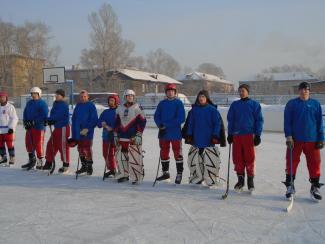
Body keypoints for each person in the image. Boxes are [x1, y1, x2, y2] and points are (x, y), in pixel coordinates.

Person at [283, 81, 324, 201]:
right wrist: (289, 136)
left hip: (312, 139)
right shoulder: (292, 104)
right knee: (291, 162)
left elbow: (319, 123)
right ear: (298, 91)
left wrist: (321, 138)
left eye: (306, 89)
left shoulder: (315, 104)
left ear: (309, 91)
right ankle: (290, 186)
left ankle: (315, 187)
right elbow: (287, 122)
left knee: (314, 163)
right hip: (295, 140)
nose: (304, 91)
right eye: (302, 89)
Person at [227, 84, 264, 192]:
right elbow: (231, 120)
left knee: (250, 158)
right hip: (237, 135)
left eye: (243, 90)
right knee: (238, 158)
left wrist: (257, 135)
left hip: (249, 135)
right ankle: (240, 180)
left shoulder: (254, 104)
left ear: (248, 92)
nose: (241, 92)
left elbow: (259, 120)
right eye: (240, 91)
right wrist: (230, 134)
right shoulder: (235, 105)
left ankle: (250, 180)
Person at [185, 90, 224, 186]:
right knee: (197, 159)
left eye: (203, 96)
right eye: (200, 96)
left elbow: (217, 124)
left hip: (209, 139)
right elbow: (190, 123)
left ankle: (210, 177)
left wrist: (215, 135)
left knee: (209, 159)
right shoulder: (194, 110)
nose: (201, 98)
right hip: (197, 138)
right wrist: (189, 135)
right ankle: (198, 177)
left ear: (207, 98)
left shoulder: (212, 110)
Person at [154, 83, 185, 184]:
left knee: (177, 152)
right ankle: (165, 172)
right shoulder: (162, 103)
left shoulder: (178, 103)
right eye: (168, 91)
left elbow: (181, 118)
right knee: (164, 151)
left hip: (175, 133)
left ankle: (179, 173)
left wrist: (166, 124)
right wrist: (160, 125)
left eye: (172, 91)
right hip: (163, 133)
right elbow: (156, 116)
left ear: (175, 92)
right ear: (166, 93)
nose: (170, 92)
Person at [114, 89, 146, 184]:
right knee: (121, 156)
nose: (130, 97)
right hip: (122, 136)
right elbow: (116, 122)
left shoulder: (138, 107)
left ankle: (137, 176)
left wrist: (139, 134)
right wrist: (115, 134)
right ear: (125, 97)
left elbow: (142, 122)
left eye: (132, 96)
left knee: (135, 156)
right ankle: (124, 174)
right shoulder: (119, 108)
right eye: (128, 96)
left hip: (133, 136)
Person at [70, 90, 98, 176]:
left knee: (87, 148)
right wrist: (75, 130)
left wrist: (87, 129)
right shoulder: (78, 106)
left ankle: (89, 166)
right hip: (78, 131)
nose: (83, 98)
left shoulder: (91, 106)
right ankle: (83, 165)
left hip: (87, 131)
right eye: (81, 96)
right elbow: (74, 118)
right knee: (80, 148)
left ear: (88, 96)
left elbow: (94, 119)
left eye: (84, 96)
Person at [43, 89, 70, 173]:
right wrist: (48, 120)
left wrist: (50, 119)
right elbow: (53, 114)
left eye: (58, 95)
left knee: (62, 146)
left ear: (62, 96)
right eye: (56, 94)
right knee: (51, 144)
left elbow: (58, 115)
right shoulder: (56, 103)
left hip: (63, 128)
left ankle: (65, 164)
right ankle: (49, 162)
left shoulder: (63, 105)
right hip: (57, 128)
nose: (56, 96)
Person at [21, 87, 49, 170]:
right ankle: (31, 160)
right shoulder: (29, 103)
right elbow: (25, 113)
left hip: (39, 127)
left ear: (39, 94)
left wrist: (34, 122)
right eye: (32, 93)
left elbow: (44, 115)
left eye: (35, 93)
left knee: (38, 144)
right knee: (29, 143)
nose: (33, 95)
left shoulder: (42, 103)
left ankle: (40, 162)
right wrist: (25, 122)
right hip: (30, 127)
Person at [98, 94, 119, 179]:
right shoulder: (105, 112)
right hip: (106, 136)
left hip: (116, 136)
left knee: (118, 154)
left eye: (112, 100)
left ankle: (121, 170)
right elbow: (99, 123)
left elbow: (121, 124)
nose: (111, 102)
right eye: (110, 101)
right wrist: (102, 123)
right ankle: (112, 169)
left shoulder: (119, 111)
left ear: (116, 101)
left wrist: (113, 128)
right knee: (106, 153)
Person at [0, 91, 18, 166]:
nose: (1, 99)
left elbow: (14, 118)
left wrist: (11, 127)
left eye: (3, 97)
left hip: (8, 129)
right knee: (0, 145)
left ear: (6, 98)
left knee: (10, 144)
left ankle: (12, 157)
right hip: (0, 130)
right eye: (0, 97)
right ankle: (4, 157)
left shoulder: (10, 107)